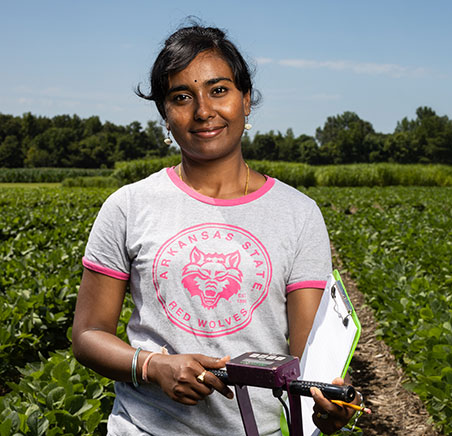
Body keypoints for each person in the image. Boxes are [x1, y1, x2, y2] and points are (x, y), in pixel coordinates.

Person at [72, 24, 356, 435]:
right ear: (165, 116)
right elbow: (88, 335)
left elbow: (307, 361)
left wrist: (328, 409)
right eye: (181, 97)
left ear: (246, 101)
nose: (203, 110)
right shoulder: (128, 206)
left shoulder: (299, 214)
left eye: (219, 90)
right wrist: (153, 366)